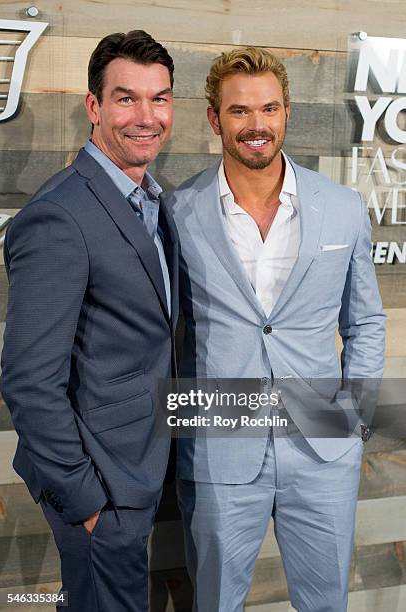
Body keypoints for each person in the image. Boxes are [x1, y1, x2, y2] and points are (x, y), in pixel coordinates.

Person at [165, 47, 386, 611]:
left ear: (286, 112)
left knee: (325, 604)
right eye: (240, 111)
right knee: (214, 603)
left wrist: (353, 417)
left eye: (268, 109)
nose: (256, 125)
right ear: (215, 119)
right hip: (217, 443)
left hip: (321, 441)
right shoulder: (176, 211)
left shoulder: (341, 207)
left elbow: (364, 321)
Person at [1, 30, 178, 612]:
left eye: (160, 98)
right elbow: (29, 380)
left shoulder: (155, 198)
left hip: (147, 467)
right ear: (94, 107)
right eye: (127, 98)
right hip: (103, 487)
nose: (146, 116)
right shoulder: (58, 216)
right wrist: (87, 503)